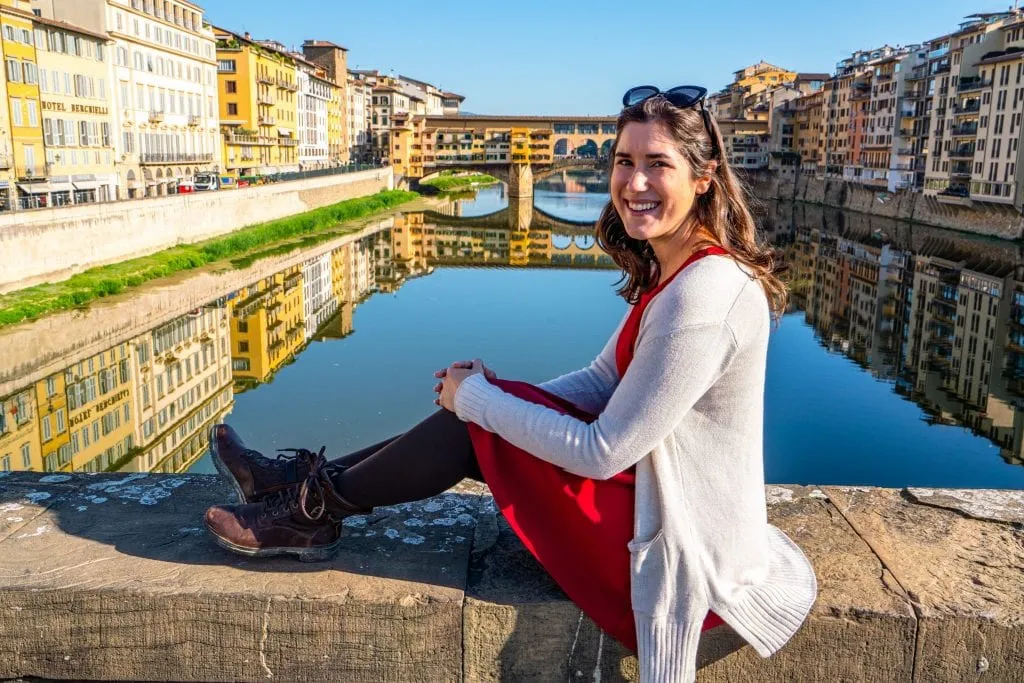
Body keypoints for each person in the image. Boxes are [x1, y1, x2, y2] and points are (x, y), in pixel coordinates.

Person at [202, 85, 817, 682]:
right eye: (624, 162)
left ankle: (309, 511)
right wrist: (496, 395)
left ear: (702, 178)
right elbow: (604, 377)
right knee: (484, 411)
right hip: (654, 503)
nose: (633, 183)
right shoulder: (680, 271)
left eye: (658, 164)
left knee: (475, 426)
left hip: (671, 550)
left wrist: (482, 405)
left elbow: (604, 453)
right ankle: (298, 487)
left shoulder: (703, 296)